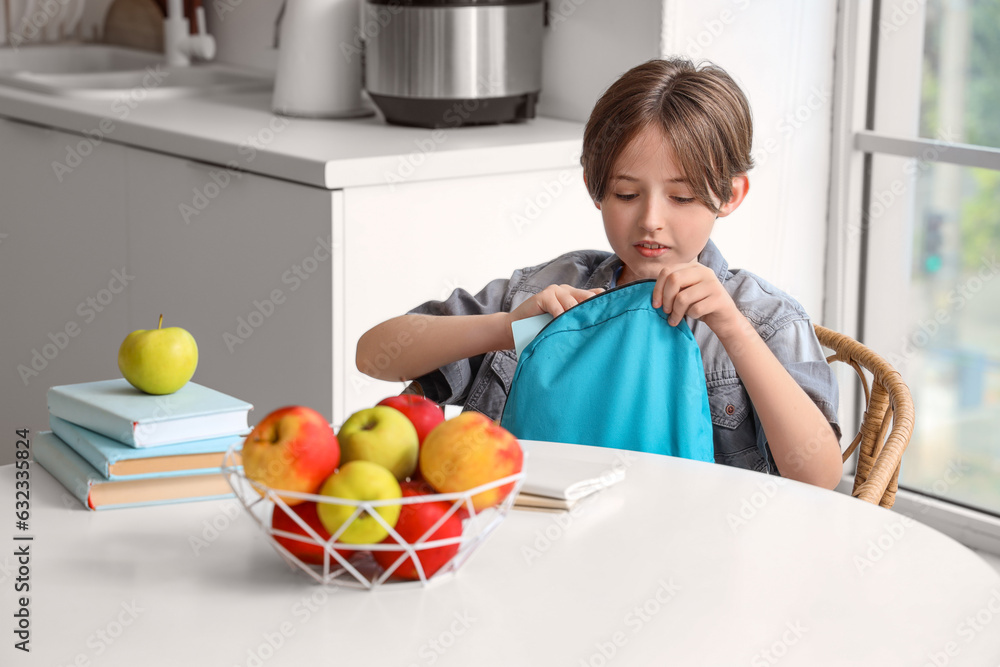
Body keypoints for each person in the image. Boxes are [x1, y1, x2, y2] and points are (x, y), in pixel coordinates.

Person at [357, 58, 843, 489]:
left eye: (682, 197)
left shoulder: (765, 318)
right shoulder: (542, 292)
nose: (651, 219)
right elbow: (374, 355)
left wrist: (733, 329)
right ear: (595, 187)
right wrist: (508, 328)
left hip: (698, 568)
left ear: (730, 195)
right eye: (627, 194)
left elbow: (819, 477)